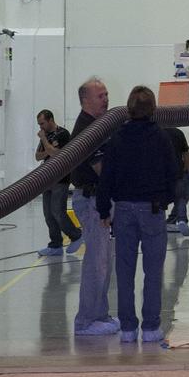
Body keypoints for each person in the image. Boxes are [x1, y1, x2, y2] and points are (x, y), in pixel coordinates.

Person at [97, 85, 179, 343]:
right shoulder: (161, 137)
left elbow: (106, 177)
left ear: (129, 109)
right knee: (153, 272)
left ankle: (129, 329)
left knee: (125, 272)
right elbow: (173, 174)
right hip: (152, 209)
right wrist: (168, 201)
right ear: (153, 108)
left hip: (123, 210)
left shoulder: (117, 138)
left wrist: (103, 209)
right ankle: (152, 328)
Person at [70, 77, 118, 336]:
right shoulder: (87, 130)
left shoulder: (100, 125)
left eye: (107, 94)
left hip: (100, 199)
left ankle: (100, 315)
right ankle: (86, 321)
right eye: (101, 96)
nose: (106, 99)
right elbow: (101, 169)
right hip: (92, 201)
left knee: (104, 260)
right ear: (85, 100)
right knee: (96, 261)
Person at [34, 109, 83, 257]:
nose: (40, 127)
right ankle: (55, 244)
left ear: (50, 120)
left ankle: (76, 235)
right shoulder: (46, 136)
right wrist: (48, 148)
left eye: (42, 123)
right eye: (39, 124)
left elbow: (56, 154)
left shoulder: (63, 134)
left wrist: (44, 141)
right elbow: (38, 156)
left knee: (57, 211)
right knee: (48, 214)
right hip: (46, 179)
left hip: (60, 179)